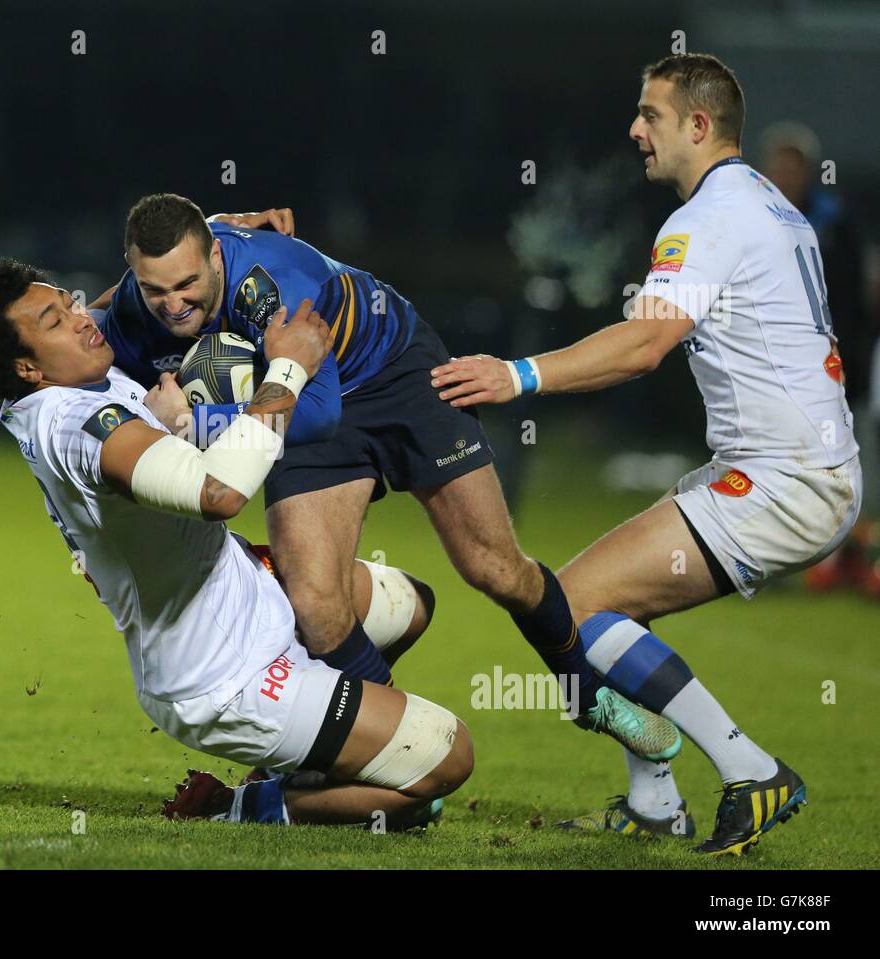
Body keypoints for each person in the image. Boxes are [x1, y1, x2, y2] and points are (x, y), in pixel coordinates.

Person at [432, 53, 862, 855]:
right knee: (592, 608)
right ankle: (656, 801)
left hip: (785, 477)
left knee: (577, 608)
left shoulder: (710, 216)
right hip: (797, 465)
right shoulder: (768, 205)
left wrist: (516, 374)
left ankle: (751, 770)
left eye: (651, 115)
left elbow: (644, 343)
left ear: (699, 126)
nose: (635, 129)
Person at [94, 193, 678, 761]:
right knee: (318, 605)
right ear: (133, 276)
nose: (173, 305)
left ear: (216, 257)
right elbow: (79, 338)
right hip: (295, 404)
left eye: (187, 284)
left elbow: (316, 414)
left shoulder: (274, 288)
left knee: (494, 568)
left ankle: (589, 694)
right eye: (155, 289)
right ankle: (401, 754)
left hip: (396, 375)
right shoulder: (135, 303)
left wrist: (195, 421)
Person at [0, 260, 470, 826]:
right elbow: (220, 494)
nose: (81, 317)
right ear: (27, 367)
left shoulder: (75, 368)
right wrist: (289, 370)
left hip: (246, 593)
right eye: (56, 320)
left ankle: (324, 755)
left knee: (408, 604)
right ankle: (250, 805)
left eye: (70, 302)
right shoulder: (73, 424)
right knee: (444, 759)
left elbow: (123, 298)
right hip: (222, 675)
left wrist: (214, 236)